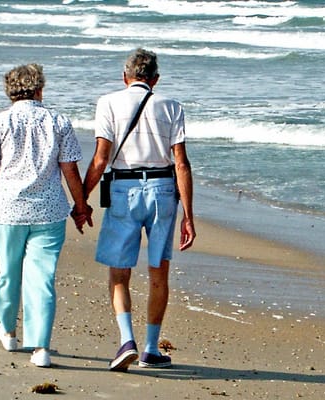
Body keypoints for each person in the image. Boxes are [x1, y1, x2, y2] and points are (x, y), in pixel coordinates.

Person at [0, 63, 92, 368]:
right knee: (42, 279)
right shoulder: (59, 122)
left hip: (8, 211)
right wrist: (81, 206)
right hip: (49, 212)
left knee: (8, 272)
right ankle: (40, 348)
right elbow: (70, 170)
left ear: (10, 91)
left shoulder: (0, 122)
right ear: (40, 89)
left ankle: (7, 330)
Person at [82, 48, 195, 371]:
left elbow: (101, 158)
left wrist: (82, 200)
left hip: (123, 189)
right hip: (162, 190)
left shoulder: (108, 102)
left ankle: (125, 340)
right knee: (158, 271)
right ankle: (150, 348)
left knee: (119, 272)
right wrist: (188, 214)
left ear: (125, 76)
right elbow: (182, 164)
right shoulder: (172, 107)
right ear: (155, 79)